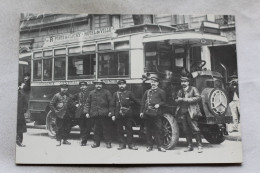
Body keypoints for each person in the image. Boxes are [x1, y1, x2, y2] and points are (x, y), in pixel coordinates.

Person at [175, 76, 203, 153]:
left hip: (192, 112)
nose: (183, 83)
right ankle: (189, 146)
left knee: (195, 128)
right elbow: (177, 99)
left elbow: (198, 98)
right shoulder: (180, 91)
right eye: (182, 82)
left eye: (185, 82)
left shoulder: (193, 89)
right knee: (186, 130)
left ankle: (199, 146)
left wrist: (185, 99)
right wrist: (177, 100)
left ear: (188, 82)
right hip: (183, 112)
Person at [140, 76, 166, 152]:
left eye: (154, 82)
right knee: (148, 130)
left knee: (158, 129)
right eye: (152, 82)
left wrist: (159, 104)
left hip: (156, 113)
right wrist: (141, 112)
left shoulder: (161, 91)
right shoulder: (147, 91)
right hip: (147, 113)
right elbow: (143, 102)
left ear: (157, 83)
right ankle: (149, 146)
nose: (153, 83)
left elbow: (164, 102)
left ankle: (160, 146)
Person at [112, 79, 139, 150]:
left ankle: (131, 144)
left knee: (129, 130)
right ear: (118, 85)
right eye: (120, 84)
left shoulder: (129, 93)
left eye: (123, 84)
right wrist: (113, 115)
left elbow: (136, 101)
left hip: (128, 115)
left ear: (125, 85)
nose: (121, 86)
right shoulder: (115, 94)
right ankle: (122, 144)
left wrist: (131, 104)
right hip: (118, 114)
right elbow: (112, 105)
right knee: (119, 130)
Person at [86, 79, 114, 149]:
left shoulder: (106, 92)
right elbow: (87, 103)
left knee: (106, 129)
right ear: (95, 85)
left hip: (104, 114)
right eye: (97, 84)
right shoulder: (91, 93)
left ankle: (108, 143)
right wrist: (87, 112)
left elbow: (111, 103)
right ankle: (96, 143)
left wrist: (111, 111)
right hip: (95, 114)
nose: (98, 85)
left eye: (100, 84)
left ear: (102, 85)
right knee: (96, 130)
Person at [73, 81, 92, 146]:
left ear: (86, 86)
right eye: (81, 86)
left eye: (84, 86)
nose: (82, 87)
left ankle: (84, 139)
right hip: (80, 113)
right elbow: (70, 100)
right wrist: (76, 104)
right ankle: (82, 139)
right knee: (82, 126)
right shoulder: (78, 94)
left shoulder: (90, 93)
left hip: (88, 112)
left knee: (88, 127)